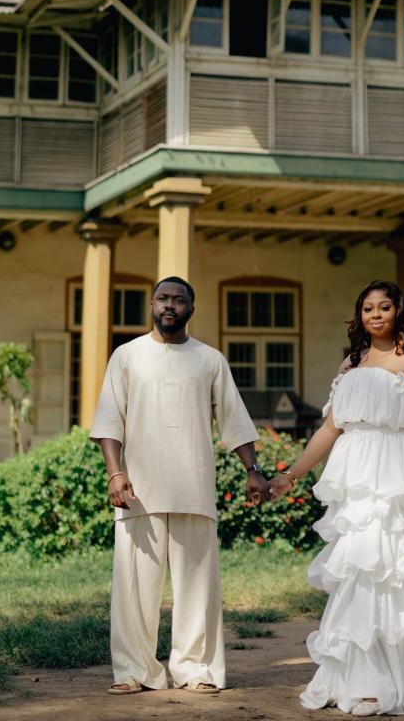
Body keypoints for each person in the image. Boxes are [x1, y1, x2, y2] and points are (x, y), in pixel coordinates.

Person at [268, 279, 404, 716]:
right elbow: (330, 428)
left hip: (396, 477)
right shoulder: (351, 363)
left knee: (396, 572)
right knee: (358, 572)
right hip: (356, 481)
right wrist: (291, 474)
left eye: (384, 307)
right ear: (359, 315)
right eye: (368, 308)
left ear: (398, 311)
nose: (376, 314)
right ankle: (360, 678)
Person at [90, 274, 267, 695]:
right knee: (134, 588)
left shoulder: (209, 359)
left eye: (178, 299)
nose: (169, 305)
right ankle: (135, 671)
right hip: (138, 490)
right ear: (151, 306)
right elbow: (110, 420)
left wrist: (253, 470)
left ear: (191, 308)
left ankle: (196, 669)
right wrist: (115, 474)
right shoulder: (127, 356)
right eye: (162, 298)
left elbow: (233, 419)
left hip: (194, 486)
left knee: (197, 588)